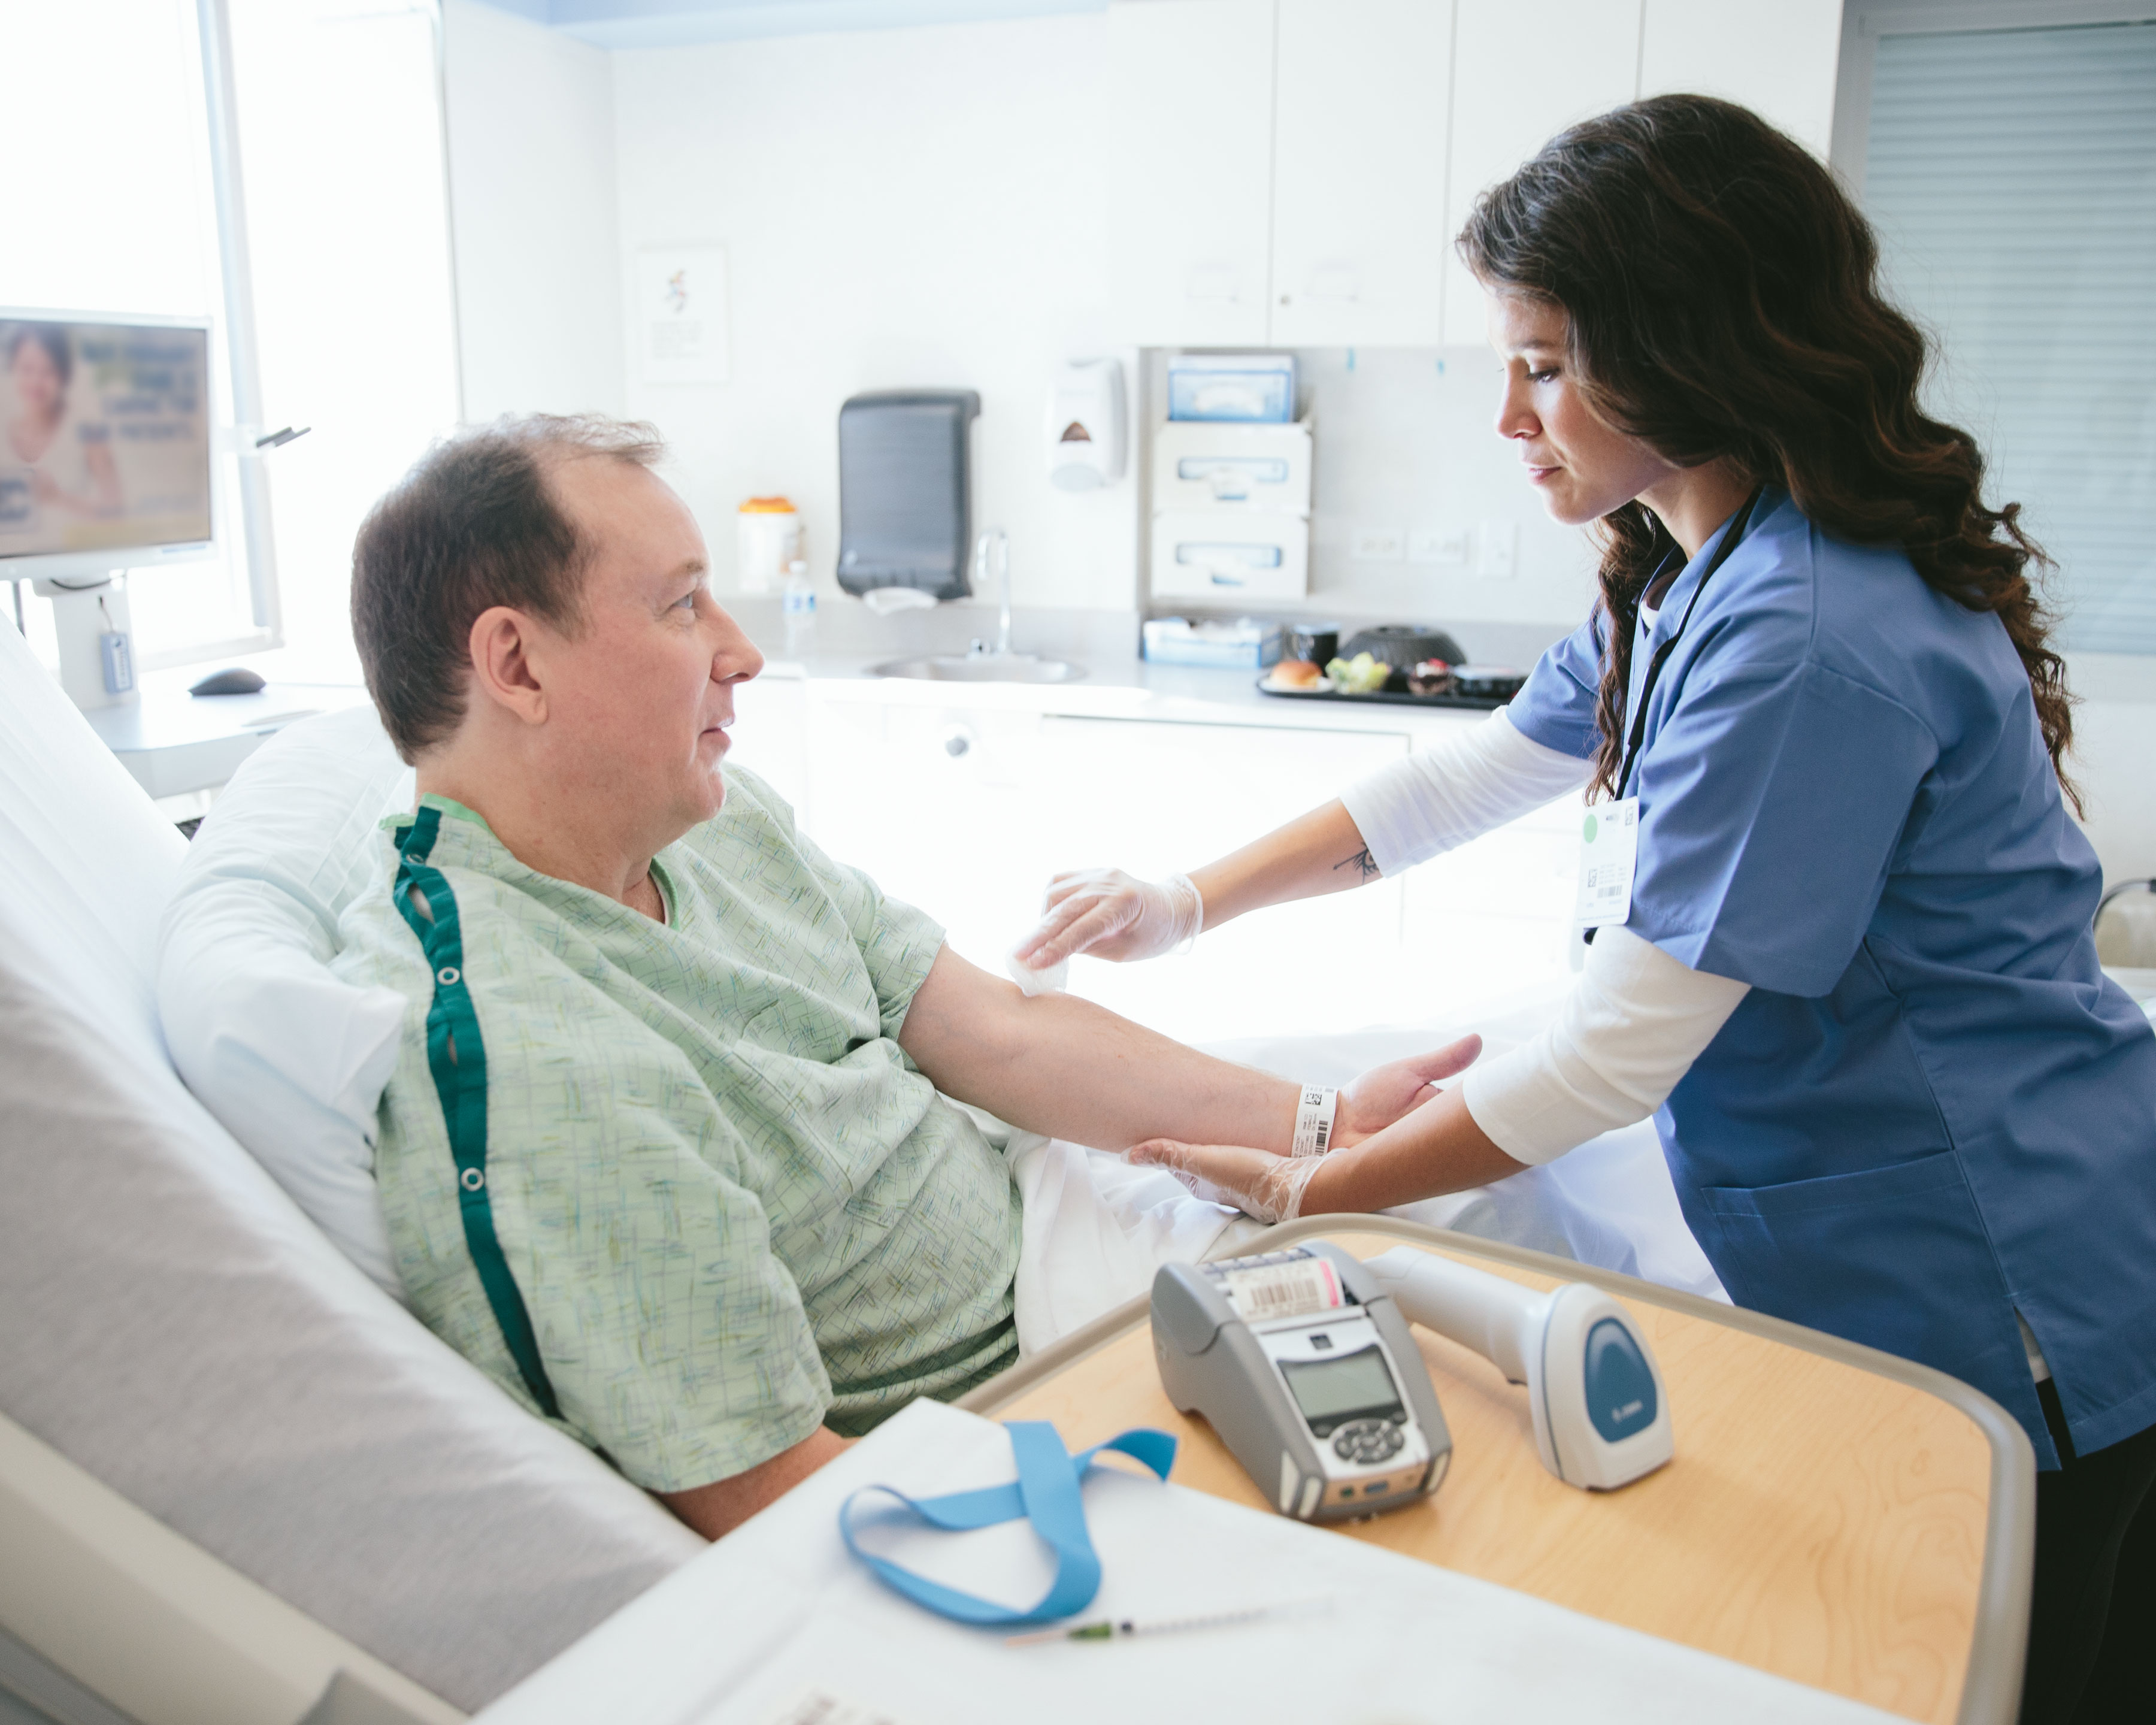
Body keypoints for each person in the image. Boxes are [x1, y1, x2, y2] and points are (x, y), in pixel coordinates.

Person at [1012, 96, 2155, 1723]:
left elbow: (1615, 1055)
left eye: (1542, 364)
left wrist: (1323, 1191)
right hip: (1889, 1244)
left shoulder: (1800, 641)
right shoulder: (1688, 563)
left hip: (2014, 1269)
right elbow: (1470, 778)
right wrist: (1182, 899)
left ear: (1693, 350)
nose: (1507, 413)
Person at [331, 413, 1471, 1545]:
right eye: (683, 604)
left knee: (1474, 1192)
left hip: (1064, 1217)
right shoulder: (534, 1057)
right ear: (517, 664)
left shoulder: (710, 824)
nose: (742, 649)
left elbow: (1003, 1036)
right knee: (1471, 1354)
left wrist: (1326, 1133)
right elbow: (773, 1496)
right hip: (1037, 1379)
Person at [1, 323, 122, 539]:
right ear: (13, 368)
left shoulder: (89, 432)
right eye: (27, 369)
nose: (36, 382)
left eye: (48, 371)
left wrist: (58, 497)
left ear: (64, 375)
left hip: (78, 558)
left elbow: (119, 517)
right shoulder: (5, 431)